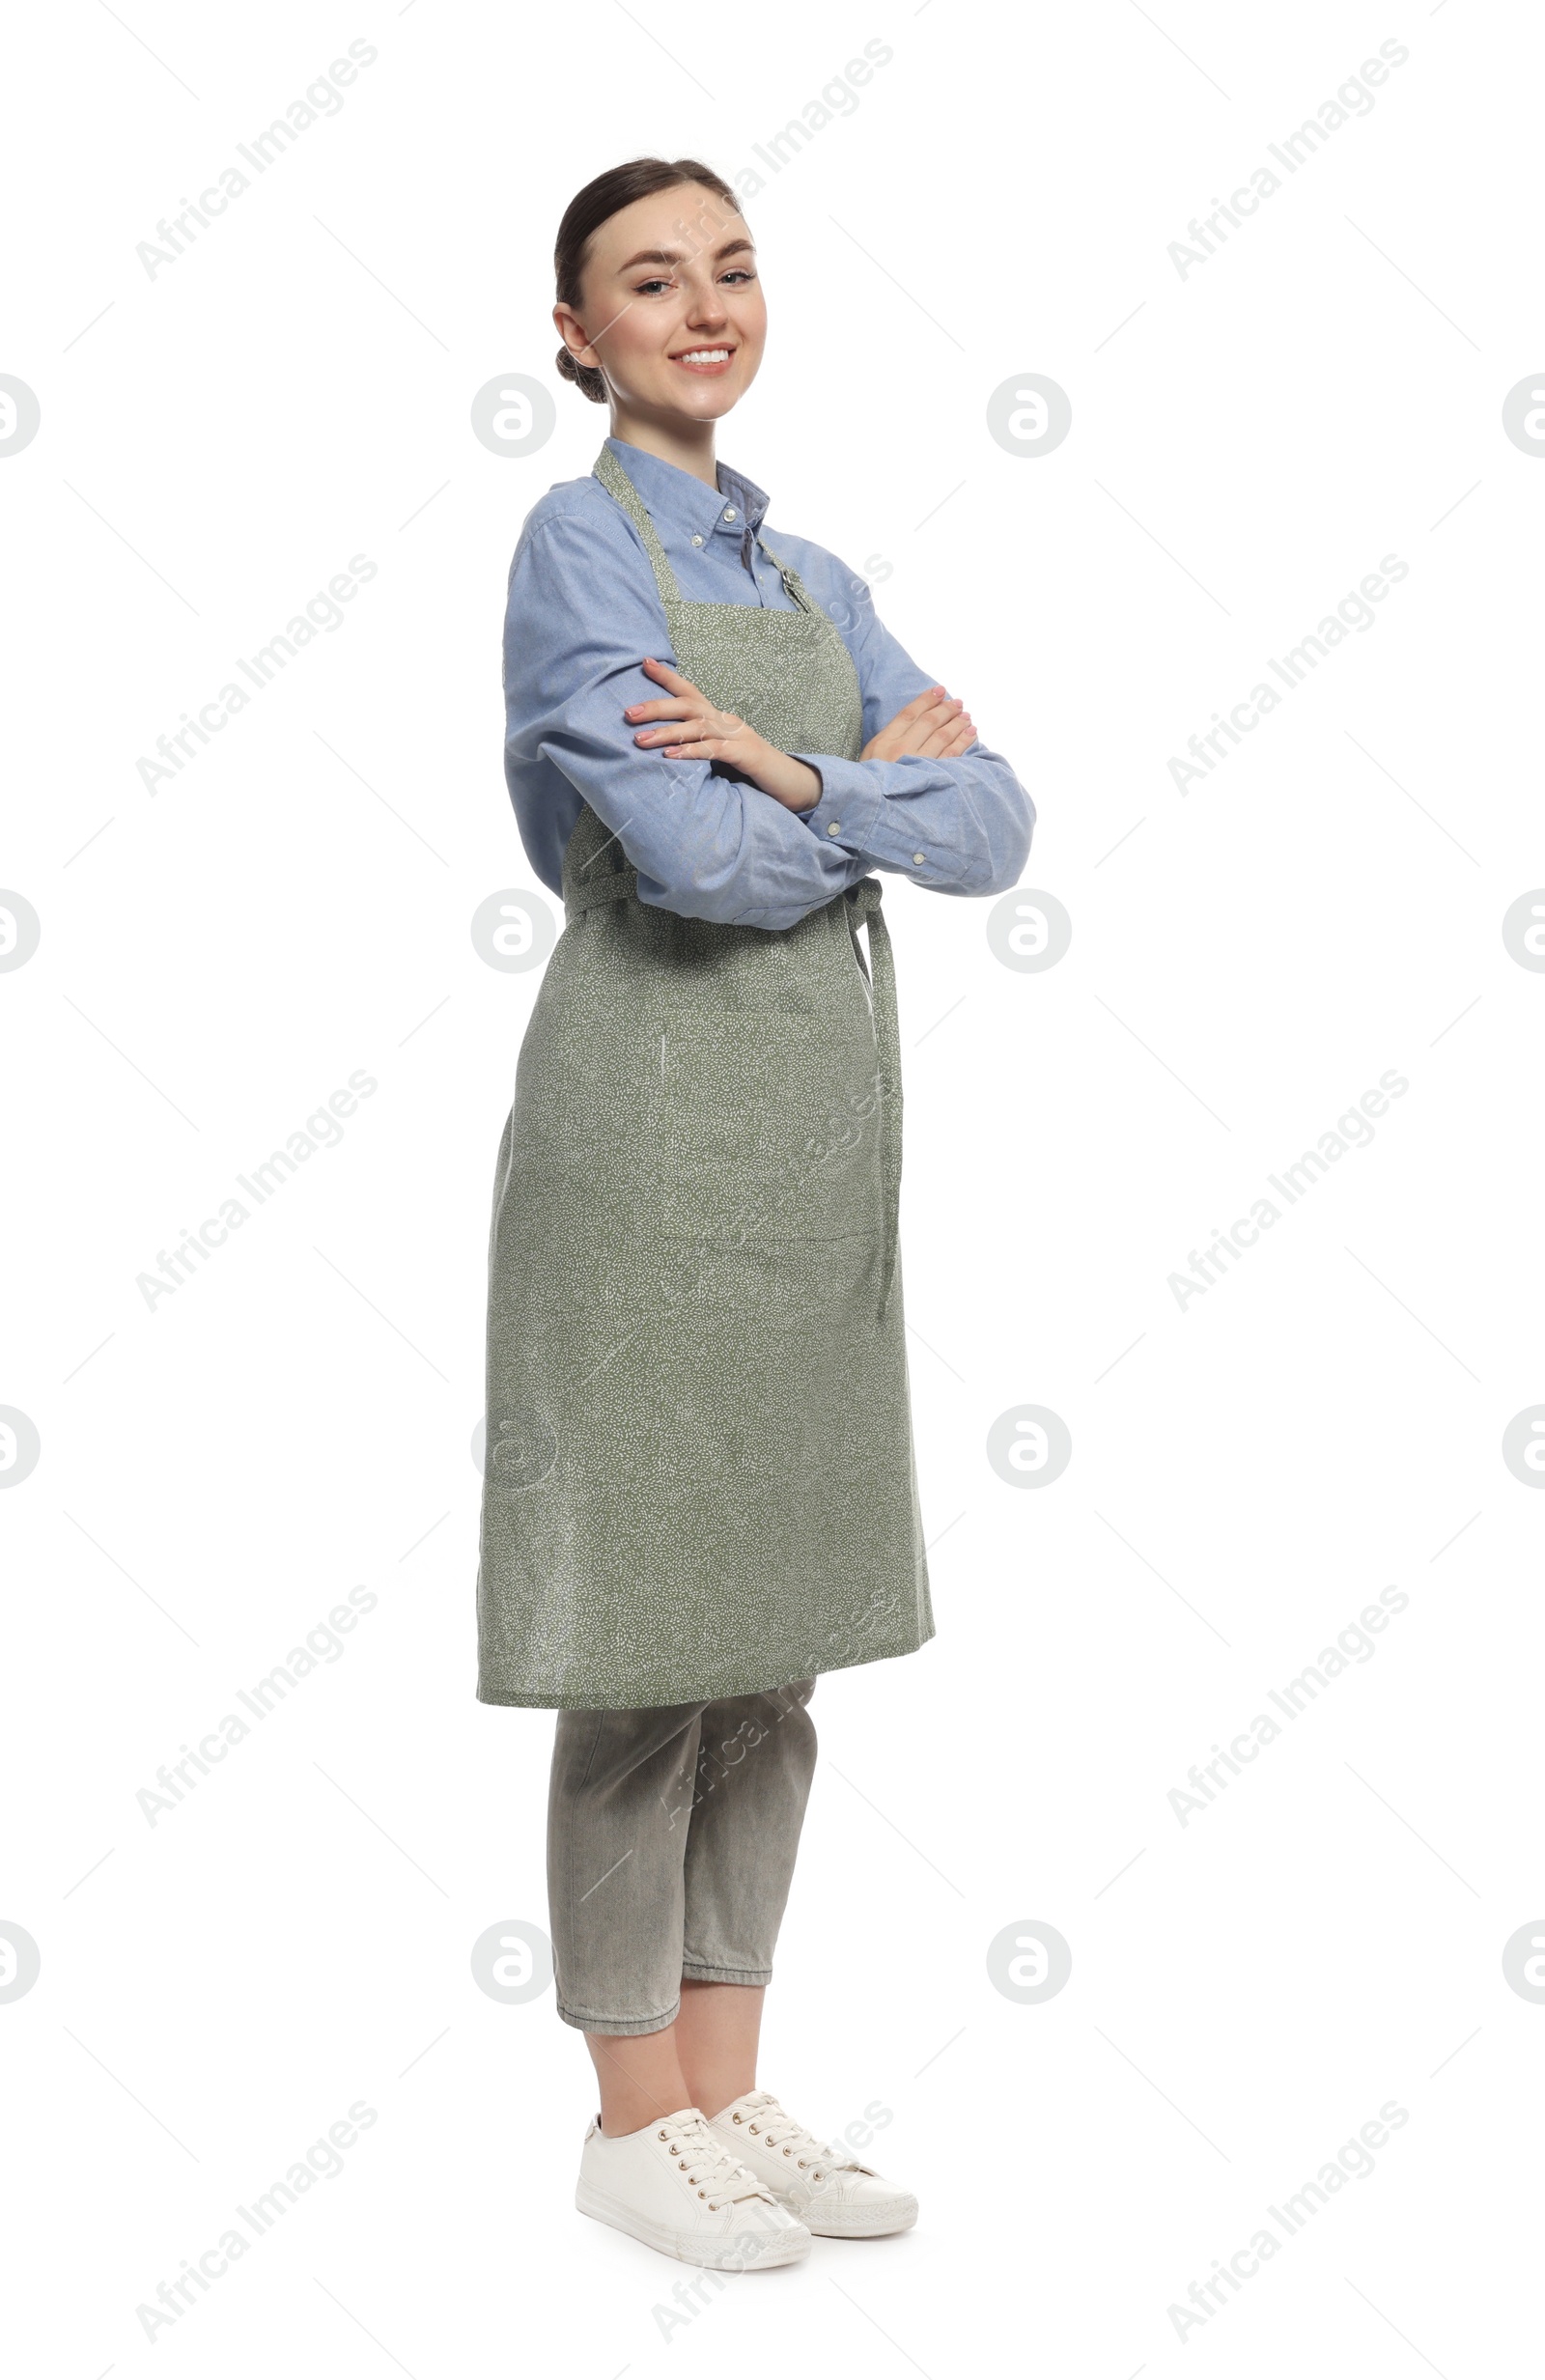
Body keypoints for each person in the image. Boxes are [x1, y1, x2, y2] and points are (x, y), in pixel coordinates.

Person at [476, 154, 1034, 2271]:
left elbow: (993, 818)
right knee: (650, 1639)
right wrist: (840, 804)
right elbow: (684, 874)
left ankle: (726, 2085)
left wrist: (797, 778)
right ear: (574, 330)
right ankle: (629, 2117)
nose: (700, 306)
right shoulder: (570, 550)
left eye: (728, 268)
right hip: (647, 1133)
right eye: (647, 279)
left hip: (811, 1158)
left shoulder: (798, 580)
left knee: (771, 1645)